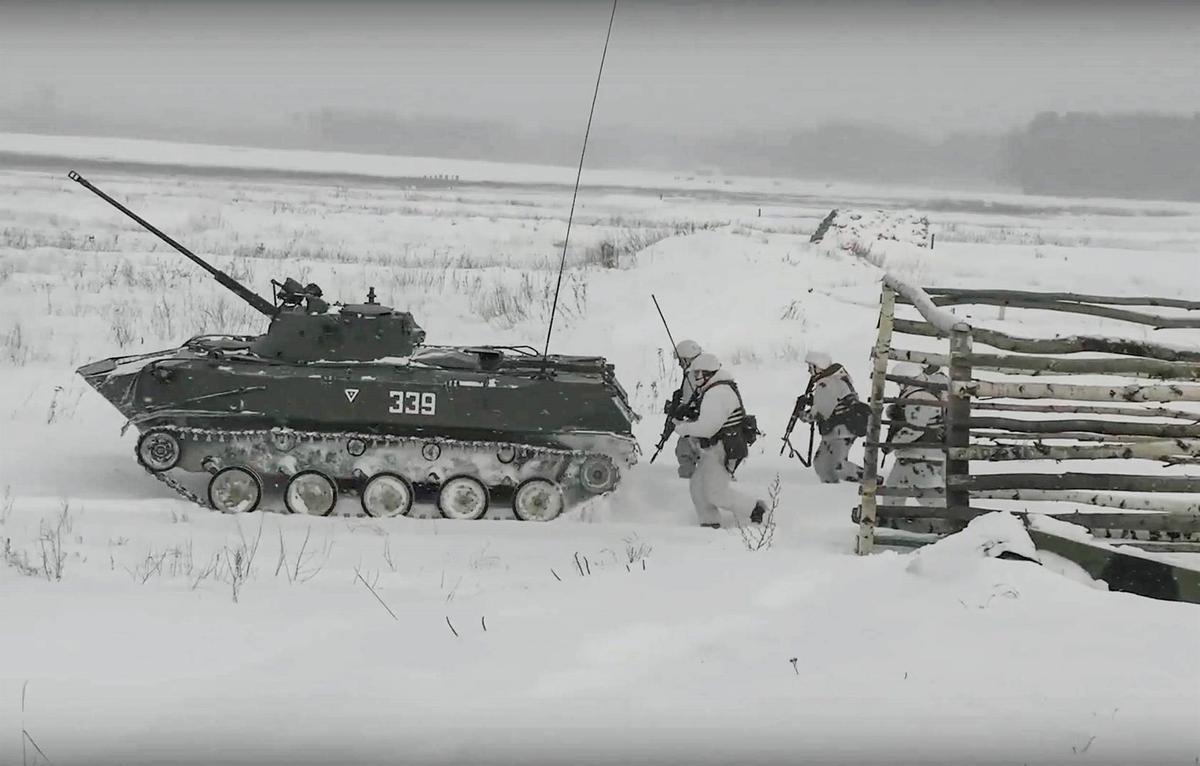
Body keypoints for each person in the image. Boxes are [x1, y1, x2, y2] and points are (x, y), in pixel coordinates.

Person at [673, 353, 769, 528]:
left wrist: (683, 428)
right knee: (698, 487)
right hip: (716, 447)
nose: (695, 379)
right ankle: (709, 522)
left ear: (708, 374)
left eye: (697, 374)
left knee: (717, 493)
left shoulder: (717, 393)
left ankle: (756, 510)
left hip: (723, 449)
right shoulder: (714, 390)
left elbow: (708, 428)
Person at [881, 361, 947, 506]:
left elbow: (915, 429)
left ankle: (947, 521)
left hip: (922, 454)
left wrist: (893, 443)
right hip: (912, 454)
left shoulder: (920, 397)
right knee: (893, 490)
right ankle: (891, 520)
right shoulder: (921, 392)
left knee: (928, 495)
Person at [800, 350, 865, 483]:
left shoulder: (827, 383)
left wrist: (804, 415)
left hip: (841, 431)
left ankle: (872, 481)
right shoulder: (837, 379)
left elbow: (821, 412)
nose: (809, 371)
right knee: (821, 465)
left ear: (818, 367)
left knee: (836, 466)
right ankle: (830, 492)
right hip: (838, 430)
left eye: (810, 367)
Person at [668, 339, 704, 479]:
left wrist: (678, 413)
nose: (679, 364)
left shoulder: (693, 375)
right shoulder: (705, 372)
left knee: (684, 450)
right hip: (709, 420)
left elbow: (689, 403)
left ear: (687, 359)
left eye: (681, 361)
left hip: (700, 422)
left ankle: (686, 483)